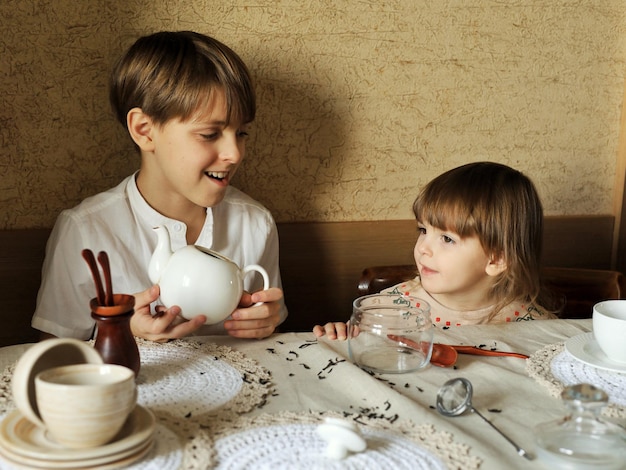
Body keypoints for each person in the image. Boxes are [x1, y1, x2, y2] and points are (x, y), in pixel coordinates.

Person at [32, 31, 287, 342]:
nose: (234, 154)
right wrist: (123, 332)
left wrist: (265, 322)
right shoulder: (87, 231)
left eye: (242, 133)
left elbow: (271, 340)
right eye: (209, 134)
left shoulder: (254, 224)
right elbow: (55, 354)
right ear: (144, 130)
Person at [313, 161, 557, 340]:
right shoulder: (386, 309)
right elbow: (355, 354)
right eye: (422, 230)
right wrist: (339, 334)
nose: (423, 249)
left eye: (447, 239)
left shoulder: (534, 326)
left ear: (497, 258)